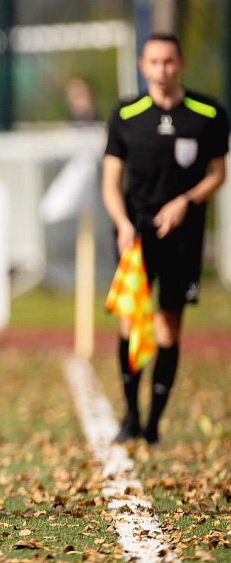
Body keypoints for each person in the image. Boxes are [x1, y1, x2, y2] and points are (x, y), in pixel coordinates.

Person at [102, 32, 228, 445]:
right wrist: (121, 222)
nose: (162, 70)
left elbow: (217, 174)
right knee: (131, 320)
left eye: (169, 62)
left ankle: (154, 422)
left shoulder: (208, 113)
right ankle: (130, 415)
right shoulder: (126, 113)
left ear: (181, 64)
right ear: (143, 66)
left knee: (169, 325)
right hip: (134, 236)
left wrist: (184, 203)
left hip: (183, 238)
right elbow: (110, 181)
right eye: (154, 62)